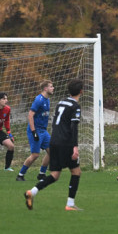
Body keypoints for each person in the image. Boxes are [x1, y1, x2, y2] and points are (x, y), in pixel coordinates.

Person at [24, 79, 84, 211]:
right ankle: (70, 204)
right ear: (81, 91)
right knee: (76, 172)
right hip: (65, 143)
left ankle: (31, 192)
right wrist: (75, 147)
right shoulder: (75, 106)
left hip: (54, 141)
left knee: (55, 175)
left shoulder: (61, 102)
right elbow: (73, 127)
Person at [17, 81, 53, 182]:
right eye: (51, 86)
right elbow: (30, 115)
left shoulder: (47, 99)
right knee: (35, 155)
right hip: (35, 130)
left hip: (43, 131)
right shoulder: (39, 100)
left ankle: (41, 174)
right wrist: (34, 132)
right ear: (45, 89)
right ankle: (20, 175)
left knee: (52, 151)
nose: (53, 88)